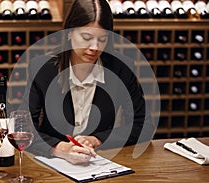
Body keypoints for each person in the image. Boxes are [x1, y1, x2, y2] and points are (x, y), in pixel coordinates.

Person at [23, 0, 155, 165]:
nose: (94, 47)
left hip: (100, 163)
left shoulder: (121, 69)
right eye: (86, 37)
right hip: (52, 166)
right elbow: (23, 128)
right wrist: (59, 148)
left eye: (102, 39)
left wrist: (97, 139)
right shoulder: (42, 69)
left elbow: (143, 125)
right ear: (69, 33)